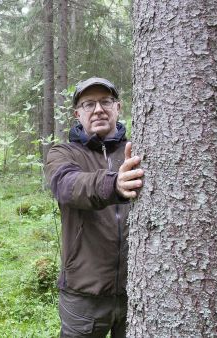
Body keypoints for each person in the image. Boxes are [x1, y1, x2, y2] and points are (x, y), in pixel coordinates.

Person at [45, 77, 144, 337]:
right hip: (83, 295)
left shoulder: (137, 151)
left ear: (118, 107)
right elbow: (68, 186)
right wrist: (114, 184)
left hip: (138, 290)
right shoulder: (63, 153)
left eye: (105, 102)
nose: (98, 109)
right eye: (89, 104)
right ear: (78, 114)